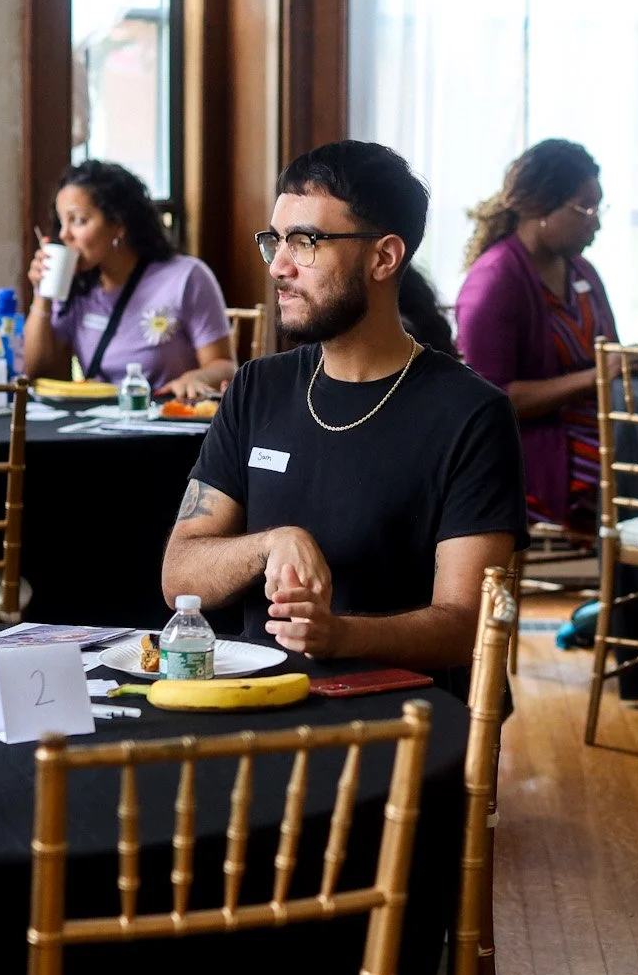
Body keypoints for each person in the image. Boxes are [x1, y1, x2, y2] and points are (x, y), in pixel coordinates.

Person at [161, 141, 529, 686]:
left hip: (397, 725)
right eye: (276, 241)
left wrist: (339, 636)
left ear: (383, 257)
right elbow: (179, 574)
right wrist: (270, 543)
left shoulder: (472, 414)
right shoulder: (260, 385)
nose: (280, 266)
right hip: (256, 706)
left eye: (306, 242)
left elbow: (467, 624)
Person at [454, 139, 617, 531]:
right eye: (586, 208)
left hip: (590, 425)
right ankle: (629, 578)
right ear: (541, 207)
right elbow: (490, 400)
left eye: (599, 207)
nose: (596, 221)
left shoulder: (582, 272)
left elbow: (608, 352)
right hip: (534, 446)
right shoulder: (495, 281)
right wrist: (596, 379)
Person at [23, 160, 235, 402]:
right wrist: (43, 295)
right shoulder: (78, 284)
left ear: (118, 225)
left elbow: (225, 366)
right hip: (96, 423)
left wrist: (197, 378)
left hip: (165, 422)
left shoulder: (187, 277)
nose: (64, 234)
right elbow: (34, 371)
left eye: (78, 221)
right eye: (62, 222)